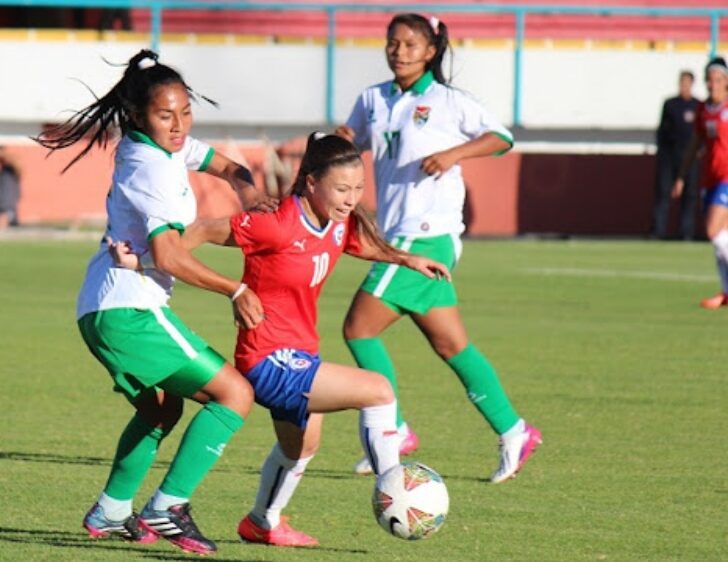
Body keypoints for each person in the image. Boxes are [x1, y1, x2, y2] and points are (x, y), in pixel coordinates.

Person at [115, 133, 451, 546]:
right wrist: (145, 260)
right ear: (311, 182)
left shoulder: (337, 222)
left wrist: (406, 258)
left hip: (301, 354)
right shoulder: (272, 223)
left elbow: (355, 243)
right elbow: (201, 231)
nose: (351, 199)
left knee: (300, 449)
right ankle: (395, 486)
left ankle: (262, 522)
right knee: (379, 391)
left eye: (358, 188)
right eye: (341, 189)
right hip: (267, 359)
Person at [35, 49, 271, 556]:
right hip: (129, 310)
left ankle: (111, 511)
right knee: (235, 395)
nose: (180, 124)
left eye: (186, 112)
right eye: (167, 115)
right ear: (141, 115)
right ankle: (167, 507)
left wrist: (248, 193)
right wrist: (236, 288)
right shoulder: (150, 167)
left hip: (106, 304)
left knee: (162, 409)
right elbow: (168, 252)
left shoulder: (163, 148)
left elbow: (228, 165)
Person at [335, 13, 541, 483]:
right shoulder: (374, 98)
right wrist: (331, 140)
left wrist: (454, 154)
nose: (399, 50)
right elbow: (351, 141)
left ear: (430, 51)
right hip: (397, 233)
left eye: (410, 44)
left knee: (358, 329)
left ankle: (396, 429)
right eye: (393, 42)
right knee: (452, 345)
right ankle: (514, 431)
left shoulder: (449, 102)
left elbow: (501, 137)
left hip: (425, 234)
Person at [675, 57, 728, 309]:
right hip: (709, 178)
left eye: (717, 80)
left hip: (726, 179)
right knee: (722, 240)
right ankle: (726, 293)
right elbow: (695, 145)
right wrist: (682, 176)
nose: (712, 84)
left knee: (712, 232)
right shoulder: (704, 110)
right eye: (709, 79)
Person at [653, 70, 701, 240]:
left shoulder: (698, 106)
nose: (684, 86)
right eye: (682, 83)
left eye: (687, 83)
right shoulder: (671, 104)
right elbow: (662, 131)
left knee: (689, 195)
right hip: (670, 155)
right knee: (663, 192)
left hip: (690, 157)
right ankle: (658, 232)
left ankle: (686, 232)